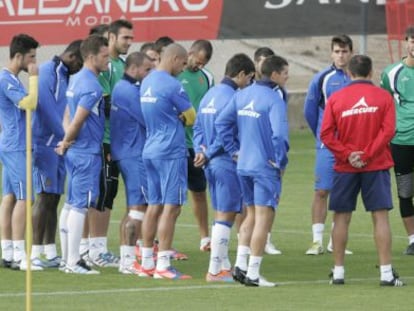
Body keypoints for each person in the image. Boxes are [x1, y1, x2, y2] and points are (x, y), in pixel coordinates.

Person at [320, 54, 405, 287]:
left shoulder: (337, 98)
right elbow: (388, 131)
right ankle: (386, 274)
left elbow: (326, 134)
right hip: (375, 165)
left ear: (349, 73)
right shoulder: (383, 97)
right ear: (371, 73)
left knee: (341, 218)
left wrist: (348, 154)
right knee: (380, 217)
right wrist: (367, 154)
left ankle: (338, 272)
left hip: (345, 167)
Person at [216, 55, 289, 287]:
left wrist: (234, 150)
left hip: (244, 165)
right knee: (263, 219)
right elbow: (279, 135)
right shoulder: (274, 99)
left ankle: (240, 265)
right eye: (285, 72)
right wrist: (280, 162)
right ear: (275, 74)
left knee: (249, 215)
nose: (287, 77)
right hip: (264, 167)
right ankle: (254, 274)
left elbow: (221, 123)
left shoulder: (242, 94)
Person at [193, 53, 255, 282]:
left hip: (210, 163)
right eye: (249, 78)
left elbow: (198, 126)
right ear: (240, 75)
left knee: (221, 211)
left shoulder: (210, 94)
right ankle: (215, 270)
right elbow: (224, 132)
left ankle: (224, 265)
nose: (248, 83)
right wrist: (209, 152)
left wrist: (201, 151)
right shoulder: (232, 97)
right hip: (225, 162)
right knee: (226, 215)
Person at [138, 43, 195, 280]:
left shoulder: (146, 81)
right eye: (182, 64)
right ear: (174, 59)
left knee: (154, 206)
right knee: (172, 208)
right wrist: (181, 118)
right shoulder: (173, 85)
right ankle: (163, 264)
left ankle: (147, 263)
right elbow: (192, 116)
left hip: (150, 149)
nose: (183, 69)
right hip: (170, 151)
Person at [56, 34, 109, 274]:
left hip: (76, 150)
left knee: (70, 204)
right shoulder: (92, 86)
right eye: (104, 56)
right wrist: (68, 139)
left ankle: (67, 259)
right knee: (80, 206)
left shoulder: (75, 80)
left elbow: (67, 114)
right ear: (91, 57)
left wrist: (67, 141)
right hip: (86, 151)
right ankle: (73, 261)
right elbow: (77, 120)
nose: (108, 61)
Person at [84, 19, 134, 268]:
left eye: (131, 38)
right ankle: (96, 249)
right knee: (101, 195)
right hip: (102, 140)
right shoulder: (104, 67)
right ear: (111, 37)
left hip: (117, 141)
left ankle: (89, 248)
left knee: (107, 194)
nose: (129, 42)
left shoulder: (123, 66)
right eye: (125, 38)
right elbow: (103, 104)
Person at [31, 39, 83, 268]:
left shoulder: (67, 76)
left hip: (60, 144)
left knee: (54, 197)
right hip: (44, 143)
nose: (81, 69)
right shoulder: (47, 71)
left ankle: (50, 252)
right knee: (43, 197)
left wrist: (66, 137)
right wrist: (66, 134)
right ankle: (33, 253)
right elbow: (45, 107)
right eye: (80, 63)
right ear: (72, 56)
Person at [303, 34, 353, 255]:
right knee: (321, 191)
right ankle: (316, 241)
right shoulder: (322, 78)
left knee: (344, 192)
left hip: (351, 145)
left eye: (344, 51)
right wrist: (322, 136)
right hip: (328, 145)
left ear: (351, 52)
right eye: (337, 51)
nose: (341, 55)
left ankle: (336, 241)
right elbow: (309, 111)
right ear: (331, 53)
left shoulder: (357, 77)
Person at [110, 52, 153, 274]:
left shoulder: (122, 87)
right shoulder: (129, 91)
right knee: (137, 209)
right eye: (147, 69)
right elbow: (148, 117)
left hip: (127, 151)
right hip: (133, 153)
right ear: (134, 69)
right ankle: (127, 262)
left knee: (135, 208)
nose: (150, 74)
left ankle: (128, 258)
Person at [0, 33, 40, 271]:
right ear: (18, 56)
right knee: (27, 198)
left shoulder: (10, 78)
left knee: (10, 197)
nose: (34, 63)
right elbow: (28, 104)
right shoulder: (7, 80)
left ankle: (7, 251)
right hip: (16, 145)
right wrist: (34, 79)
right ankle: (18, 255)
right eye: (32, 57)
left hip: (10, 143)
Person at [380, 26, 414, 255]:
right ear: (406, 42)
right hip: (401, 142)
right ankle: (413, 240)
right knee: (405, 192)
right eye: (412, 40)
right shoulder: (391, 73)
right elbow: (384, 105)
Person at [178, 39, 214, 252]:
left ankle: (204, 238)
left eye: (203, 64)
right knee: (172, 196)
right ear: (190, 52)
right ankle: (160, 243)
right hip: (175, 143)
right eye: (197, 61)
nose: (198, 66)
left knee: (199, 191)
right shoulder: (175, 73)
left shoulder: (207, 78)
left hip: (197, 144)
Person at [252, 46, 282, 255]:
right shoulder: (244, 88)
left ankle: (265, 239)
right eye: (261, 61)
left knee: (271, 200)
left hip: (268, 156)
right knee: (249, 205)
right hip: (256, 158)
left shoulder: (279, 91)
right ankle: (249, 251)